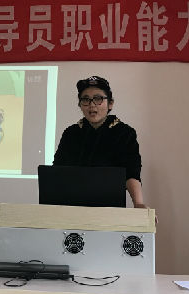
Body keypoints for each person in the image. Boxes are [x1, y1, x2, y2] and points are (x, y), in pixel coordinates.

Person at [53, 75, 148, 209]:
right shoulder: (71, 133)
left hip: (109, 209)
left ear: (110, 103)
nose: (92, 105)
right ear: (80, 105)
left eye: (98, 99)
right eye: (85, 99)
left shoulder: (124, 133)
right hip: (72, 207)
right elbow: (57, 173)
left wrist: (138, 203)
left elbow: (132, 173)